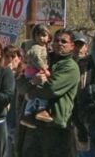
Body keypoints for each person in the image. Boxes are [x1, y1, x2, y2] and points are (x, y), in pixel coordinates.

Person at [20, 29, 81, 157]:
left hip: (56, 127)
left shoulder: (70, 66)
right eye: (57, 40)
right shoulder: (44, 61)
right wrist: (32, 82)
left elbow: (50, 89)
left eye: (64, 41)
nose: (59, 43)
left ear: (72, 46)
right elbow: (21, 85)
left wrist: (30, 92)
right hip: (34, 126)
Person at [2, 45, 25, 157]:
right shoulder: (0, 74)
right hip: (6, 120)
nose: (10, 60)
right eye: (7, 56)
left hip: (20, 121)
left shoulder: (24, 75)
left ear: (20, 58)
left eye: (13, 56)